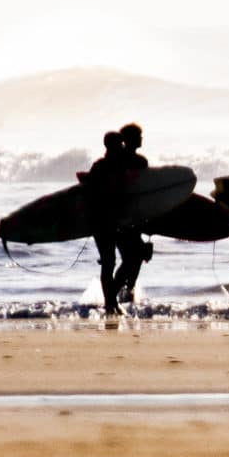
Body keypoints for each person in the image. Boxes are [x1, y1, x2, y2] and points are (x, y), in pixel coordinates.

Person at [82, 123, 152, 315]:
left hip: (119, 220)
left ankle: (114, 299)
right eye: (139, 135)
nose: (142, 139)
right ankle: (112, 301)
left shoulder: (120, 163)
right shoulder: (112, 165)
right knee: (117, 260)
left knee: (126, 259)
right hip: (112, 221)